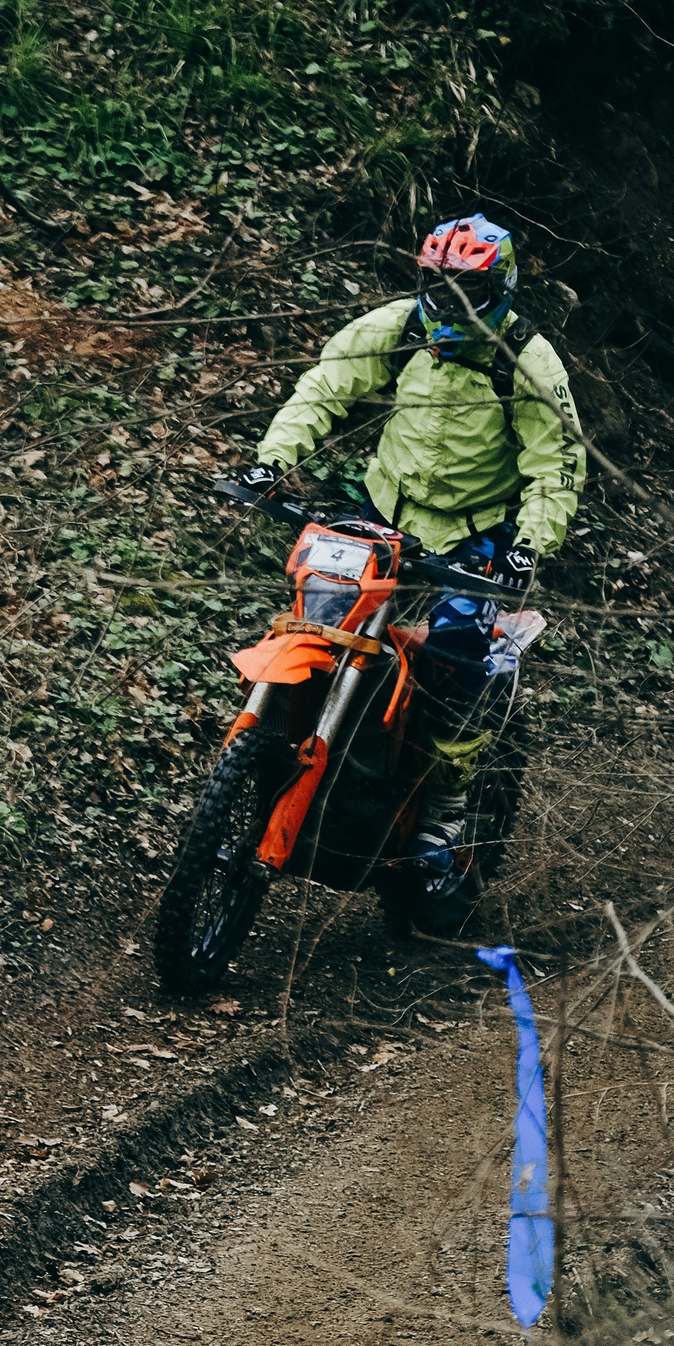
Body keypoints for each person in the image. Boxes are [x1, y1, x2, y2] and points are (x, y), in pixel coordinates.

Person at [239, 212, 586, 931]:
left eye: (468, 290)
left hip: (477, 533)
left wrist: (529, 543)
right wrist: (271, 461)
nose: (449, 303)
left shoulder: (528, 360)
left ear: (500, 289)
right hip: (387, 511)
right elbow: (324, 387)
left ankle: (445, 817)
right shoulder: (397, 327)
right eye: (438, 285)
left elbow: (556, 459)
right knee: (321, 614)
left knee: (455, 657)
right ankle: (282, 747)